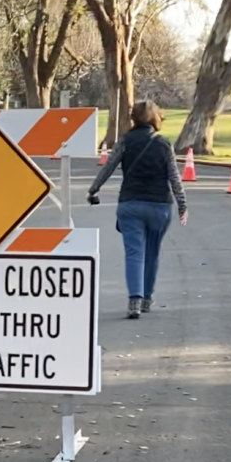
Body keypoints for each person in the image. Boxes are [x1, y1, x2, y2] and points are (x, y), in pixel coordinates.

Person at [87, 100, 188, 319]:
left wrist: (94, 190)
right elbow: (174, 177)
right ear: (156, 118)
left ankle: (134, 298)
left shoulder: (125, 141)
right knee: (152, 253)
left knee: (134, 253)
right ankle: (146, 298)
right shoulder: (163, 144)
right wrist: (182, 205)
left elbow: (108, 167)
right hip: (160, 206)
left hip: (130, 204)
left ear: (133, 118)